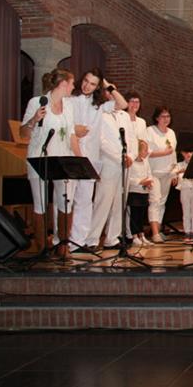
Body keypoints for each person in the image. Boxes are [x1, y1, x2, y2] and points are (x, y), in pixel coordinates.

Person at [19, 68, 80, 257]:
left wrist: (80, 160)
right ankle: (41, 248)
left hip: (62, 159)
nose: (73, 87)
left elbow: (71, 135)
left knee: (65, 202)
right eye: (72, 83)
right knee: (40, 204)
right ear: (63, 84)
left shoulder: (69, 106)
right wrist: (34, 119)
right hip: (39, 158)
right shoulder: (37, 102)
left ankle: (63, 245)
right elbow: (23, 133)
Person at [69, 68, 126, 252]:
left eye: (93, 84)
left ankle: (80, 241)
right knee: (67, 200)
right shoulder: (70, 100)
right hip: (71, 155)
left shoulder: (99, 106)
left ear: (97, 87)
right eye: (86, 81)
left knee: (85, 201)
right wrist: (74, 129)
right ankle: (62, 241)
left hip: (91, 158)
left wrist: (109, 87)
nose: (87, 86)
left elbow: (122, 104)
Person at [90, 96, 138, 250]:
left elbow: (132, 139)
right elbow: (101, 140)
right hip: (109, 163)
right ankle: (92, 239)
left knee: (120, 202)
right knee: (103, 201)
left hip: (126, 164)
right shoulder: (101, 113)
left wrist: (131, 156)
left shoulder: (125, 116)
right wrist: (119, 157)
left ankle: (112, 238)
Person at [145, 106, 177, 242]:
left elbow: (173, 154)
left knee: (162, 202)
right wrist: (163, 153)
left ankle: (157, 230)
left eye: (168, 116)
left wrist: (174, 173)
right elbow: (146, 152)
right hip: (154, 172)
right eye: (163, 116)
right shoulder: (150, 131)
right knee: (155, 200)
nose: (166, 119)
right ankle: (154, 233)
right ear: (157, 118)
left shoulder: (171, 133)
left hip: (167, 173)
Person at [127, 140, 156, 248]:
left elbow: (149, 174)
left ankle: (142, 235)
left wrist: (149, 181)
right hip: (134, 192)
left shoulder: (145, 162)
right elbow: (129, 178)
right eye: (145, 150)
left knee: (141, 215)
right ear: (137, 151)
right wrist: (140, 182)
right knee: (134, 215)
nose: (147, 152)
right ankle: (134, 236)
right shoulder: (131, 163)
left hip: (144, 192)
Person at [173, 151, 193, 242]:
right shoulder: (179, 165)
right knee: (186, 211)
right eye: (186, 153)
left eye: (191, 152)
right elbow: (173, 174)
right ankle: (187, 232)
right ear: (182, 153)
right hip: (184, 189)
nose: (188, 154)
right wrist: (179, 172)